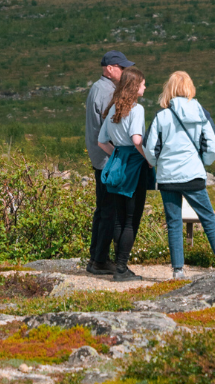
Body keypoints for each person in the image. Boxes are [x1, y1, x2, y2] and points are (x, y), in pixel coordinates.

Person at [144, 71, 215, 279]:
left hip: (168, 177)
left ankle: (178, 270)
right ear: (190, 88)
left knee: (174, 222)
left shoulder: (162, 116)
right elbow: (212, 146)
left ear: (169, 89)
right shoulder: (201, 112)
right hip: (193, 174)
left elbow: (150, 149)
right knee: (208, 219)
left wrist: (157, 164)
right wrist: (202, 163)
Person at [97, 66, 151, 282]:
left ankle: (120, 265)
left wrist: (118, 156)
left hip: (118, 164)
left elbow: (102, 142)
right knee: (131, 219)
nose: (145, 87)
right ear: (134, 86)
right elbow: (137, 139)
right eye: (143, 83)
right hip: (135, 166)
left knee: (120, 219)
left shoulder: (112, 110)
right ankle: (121, 268)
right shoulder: (137, 110)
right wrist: (147, 159)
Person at [84, 50, 135, 276]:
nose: (124, 72)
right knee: (110, 212)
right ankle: (100, 261)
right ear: (110, 68)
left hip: (100, 157)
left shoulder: (98, 88)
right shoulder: (106, 91)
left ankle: (97, 257)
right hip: (108, 159)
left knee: (102, 209)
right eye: (121, 68)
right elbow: (111, 126)